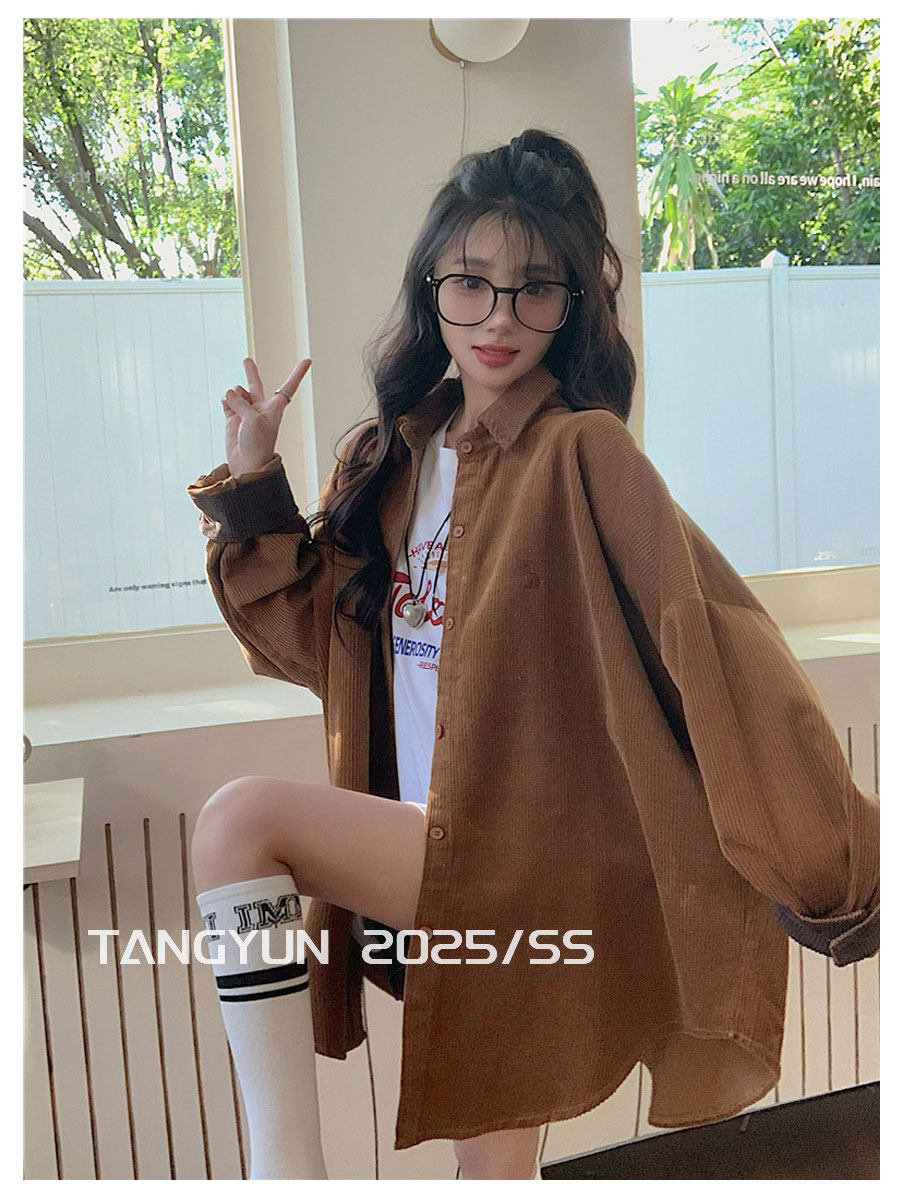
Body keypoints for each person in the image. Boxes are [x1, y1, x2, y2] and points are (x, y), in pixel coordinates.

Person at [186, 129, 879, 1180]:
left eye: (535, 289)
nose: (500, 318)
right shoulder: (389, 459)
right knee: (495, 1173)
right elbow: (317, 643)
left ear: (572, 306)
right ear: (432, 291)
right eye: (471, 283)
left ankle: (283, 1179)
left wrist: (834, 858)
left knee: (241, 822)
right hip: (438, 841)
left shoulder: (582, 451)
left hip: (526, 859)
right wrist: (252, 481)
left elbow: (713, 642)